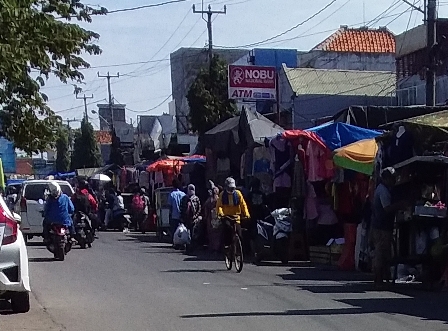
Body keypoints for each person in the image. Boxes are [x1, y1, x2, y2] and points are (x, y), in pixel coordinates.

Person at [371, 167, 407, 289]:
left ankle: (382, 279)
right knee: (380, 253)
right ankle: (378, 280)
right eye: (392, 178)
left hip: (382, 226)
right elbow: (387, 208)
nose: (394, 181)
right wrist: (400, 205)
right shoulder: (383, 191)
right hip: (381, 227)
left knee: (384, 253)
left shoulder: (383, 189)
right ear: (386, 178)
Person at [216, 177, 250, 247]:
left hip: (236, 217)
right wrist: (221, 213)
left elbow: (243, 204)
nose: (231, 190)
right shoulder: (222, 194)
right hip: (226, 216)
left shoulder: (238, 194)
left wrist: (246, 214)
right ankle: (227, 248)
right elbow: (219, 206)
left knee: (240, 234)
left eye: (232, 188)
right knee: (227, 233)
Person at [180, 184, 202, 248]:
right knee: (186, 232)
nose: (191, 191)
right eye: (190, 189)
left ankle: (193, 244)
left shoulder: (196, 198)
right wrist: (182, 217)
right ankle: (188, 245)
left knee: (194, 232)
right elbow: (182, 208)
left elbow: (199, 208)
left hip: (194, 218)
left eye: (192, 189)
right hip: (186, 218)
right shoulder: (184, 198)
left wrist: (196, 215)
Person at [168, 178, 186, 245]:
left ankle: (175, 242)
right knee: (182, 229)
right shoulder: (183, 194)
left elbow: (170, 206)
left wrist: (169, 214)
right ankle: (182, 242)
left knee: (174, 230)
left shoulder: (171, 194)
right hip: (182, 215)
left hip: (174, 214)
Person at [204, 182, 221, 254]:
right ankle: (217, 248)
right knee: (218, 233)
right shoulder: (219, 199)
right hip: (217, 218)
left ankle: (213, 248)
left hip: (210, 218)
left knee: (212, 234)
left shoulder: (209, 200)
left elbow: (205, 209)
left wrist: (205, 216)